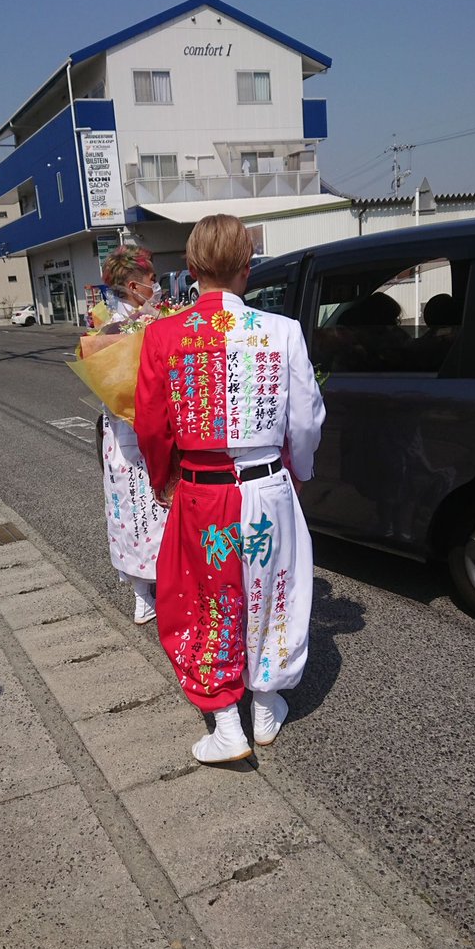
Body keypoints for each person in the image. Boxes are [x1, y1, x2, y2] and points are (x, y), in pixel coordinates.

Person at [135, 215, 325, 764]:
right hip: (268, 489)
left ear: (191, 269)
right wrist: (301, 472)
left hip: (202, 493)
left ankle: (226, 722)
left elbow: (152, 425)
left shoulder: (163, 335)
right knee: (274, 588)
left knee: (204, 599)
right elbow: (306, 420)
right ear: (248, 268)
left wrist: (162, 479)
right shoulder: (282, 330)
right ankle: (266, 704)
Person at [100, 246, 169, 624]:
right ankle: (142, 591)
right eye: (152, 281)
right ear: (133, 286)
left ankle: (166, 582)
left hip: (153, 432)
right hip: (128, 436)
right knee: (136, 513)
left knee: (159, 512)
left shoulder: (153, 320)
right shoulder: (112, 330)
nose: (156, 286)